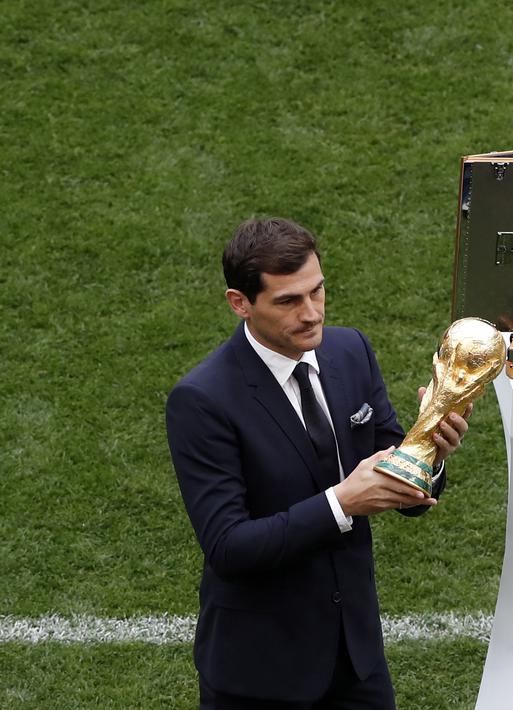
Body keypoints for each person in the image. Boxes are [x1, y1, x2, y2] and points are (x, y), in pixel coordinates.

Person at [166, 217, 469, 708]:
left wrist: (430, 450)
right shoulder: (202, 400)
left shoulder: (350, 351)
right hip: (260, 674)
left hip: (357, 662)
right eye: (287, 301)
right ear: (239, 303)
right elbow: (229, 546)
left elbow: (403, 486)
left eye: (317, 292)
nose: (311, 314)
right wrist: (341, 503)